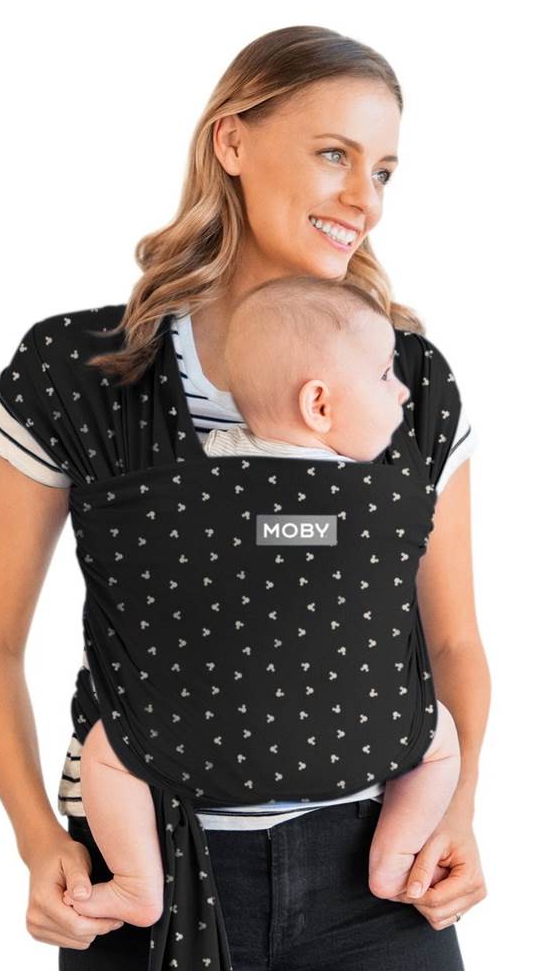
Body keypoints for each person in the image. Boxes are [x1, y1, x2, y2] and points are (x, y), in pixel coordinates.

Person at [0, 24, 490, 971]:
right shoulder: (82, 374)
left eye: (383, 171)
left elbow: (451, 642)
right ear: (232, 142)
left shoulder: (407, 380)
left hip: (376, 882)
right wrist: (38, 839)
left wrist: (458, 810)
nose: (363, 199)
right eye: (335, 155)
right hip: (146, 871)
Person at [65, 277, 463, 930]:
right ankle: (394, 858)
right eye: (384, 376)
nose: (401, 391)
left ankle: (137, 883)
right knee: (442, 741)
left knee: (106, 749)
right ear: (319, 404)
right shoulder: (386, 497)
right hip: (360, 733)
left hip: (198, 738)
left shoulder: (187, 481)